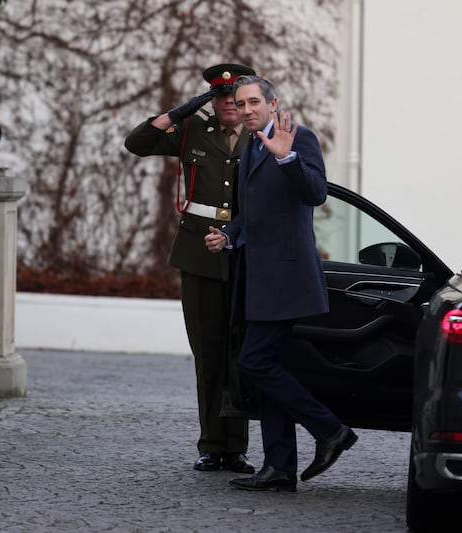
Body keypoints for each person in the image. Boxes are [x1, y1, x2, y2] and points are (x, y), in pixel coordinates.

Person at [204, 76, 357, 492]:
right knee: (270, 367)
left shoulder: (297, 138)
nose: (247, 109)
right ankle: (280, 467)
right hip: (257, 277)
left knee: (255, 362)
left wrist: (288, 159)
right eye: (241, 103)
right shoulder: (251, 146)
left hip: (287, 276)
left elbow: (316, 193)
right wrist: (229, 235)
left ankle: (330, 431)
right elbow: (253, 212)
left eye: (255, 102)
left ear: (273, 104)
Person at [124, 64, 256, 474]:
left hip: (246, 255)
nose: (227, 105)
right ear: (209, 101)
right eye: (218, 98)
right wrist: (179, 113)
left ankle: (237, 448)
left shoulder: (262, 134)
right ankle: (211, 444)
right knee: (208, 353)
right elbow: (138, 142)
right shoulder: (194, 131)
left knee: (240, 352)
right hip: (199, 254)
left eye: (234, 97)